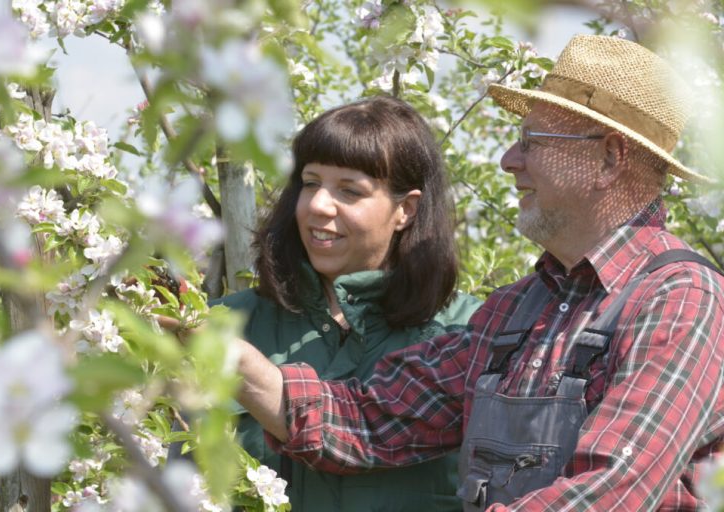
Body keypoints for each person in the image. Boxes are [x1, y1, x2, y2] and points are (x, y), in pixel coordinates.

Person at [236, 35, 724, 511]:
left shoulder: (681, 298)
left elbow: (612, 489)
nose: (508, 161)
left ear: (609, 158)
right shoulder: (515, 310)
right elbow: (376, 420)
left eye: (531, 142)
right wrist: (235, 362)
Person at [214, 96, 482, 511]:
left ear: (405, 210)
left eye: (349, 190)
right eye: (310, 182)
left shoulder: (470, 335)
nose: (318, 205)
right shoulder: (225, 325)